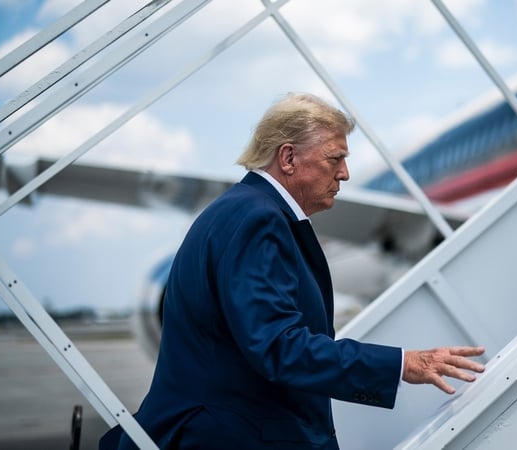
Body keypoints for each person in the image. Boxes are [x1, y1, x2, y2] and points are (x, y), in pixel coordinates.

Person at [100, 92, 485, 449]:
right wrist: (402, 364)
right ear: (288, 158)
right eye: (335, 159)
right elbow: (279, 347)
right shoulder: (259, 219)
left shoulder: (243, 210)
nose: (346, 174)